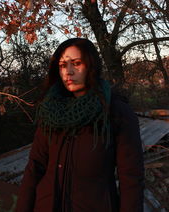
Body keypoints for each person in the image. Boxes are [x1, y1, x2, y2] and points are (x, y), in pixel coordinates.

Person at [15, 38, 144, 212]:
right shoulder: (51, 110)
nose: (68, 72)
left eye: (76, 63)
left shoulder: (116, 113)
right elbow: (35, 167)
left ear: (91, 66)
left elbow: (131, 178)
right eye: (62, 65)